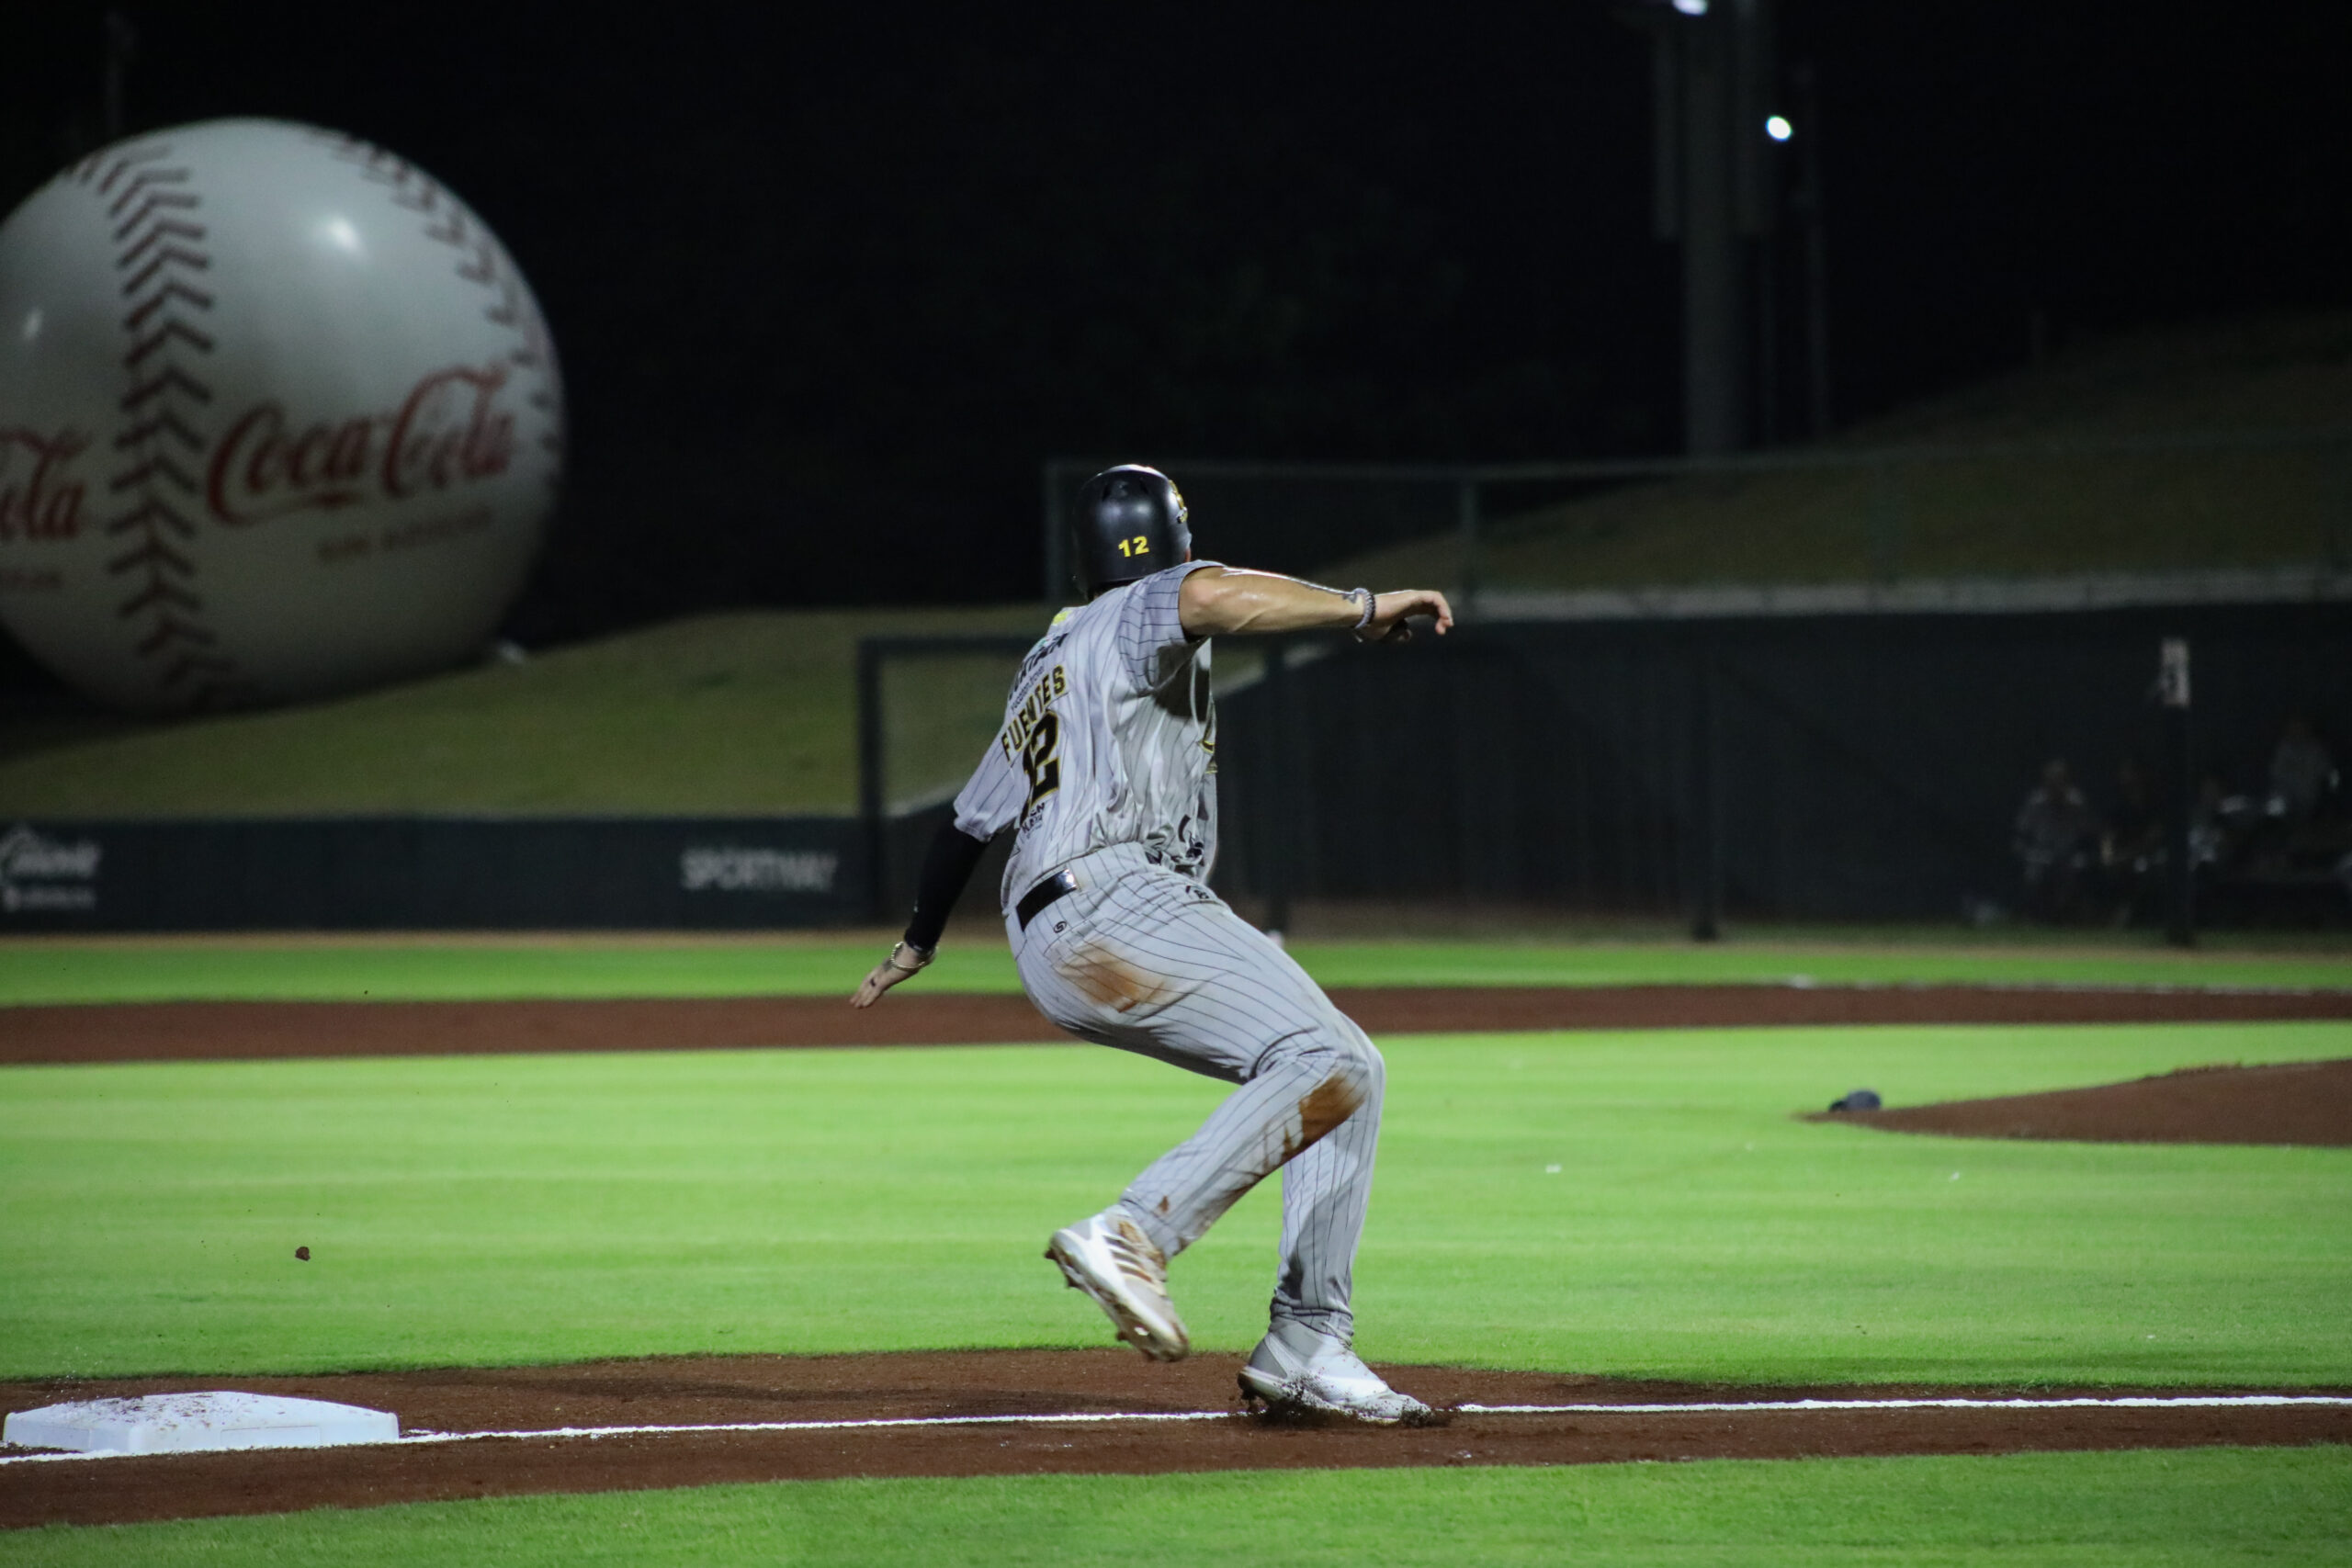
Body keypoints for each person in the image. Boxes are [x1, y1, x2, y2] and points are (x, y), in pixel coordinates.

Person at [851, 465, 1452, 1426]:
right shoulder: (1140, 609)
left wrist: (917, 941)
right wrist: (1361, 607)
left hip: (1049, 937)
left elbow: (965, 826)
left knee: (1347, 1072)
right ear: (1172, 540)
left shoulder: (1047, 662)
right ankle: (1135, 1231)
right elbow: (1209, 596)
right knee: (1328, 1057)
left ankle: (1307, 1342)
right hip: (1115, 895)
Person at [2013, 758, 2098, 922]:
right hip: (2040, 855)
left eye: (2060, 781)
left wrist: (2084, 855)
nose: (2056, 786)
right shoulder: (2035, 802)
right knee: (2033, 875)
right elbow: (2020, 836)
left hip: (2069, 855)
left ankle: (2069, 918)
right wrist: (2028, 854)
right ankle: (2032, 917)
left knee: (2075, 873)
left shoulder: (2077, 803)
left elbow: (2089, 834)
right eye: (2051, 781)